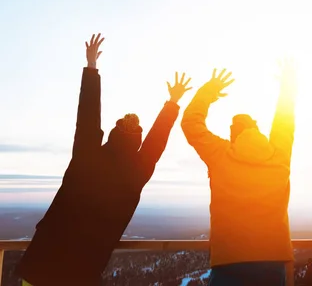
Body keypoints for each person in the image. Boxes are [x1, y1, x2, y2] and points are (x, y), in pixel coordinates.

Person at [16, 33, 192, 286]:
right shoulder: (137, 171)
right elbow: (157, 141)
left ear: (113, 133)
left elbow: (87, 116)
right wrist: (172, 103)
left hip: (41, 263)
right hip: (83, 272)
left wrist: (91, 68)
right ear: (137, 142)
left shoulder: (88, 156)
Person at [181, 61, 297, 286]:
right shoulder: (278, 154)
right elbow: (286, 120)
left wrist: (209, 90)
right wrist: (287, 85)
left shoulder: (219, 153)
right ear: (256, 130)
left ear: (234, 134)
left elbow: (190, 123)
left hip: (228, 260)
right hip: (272, 258)